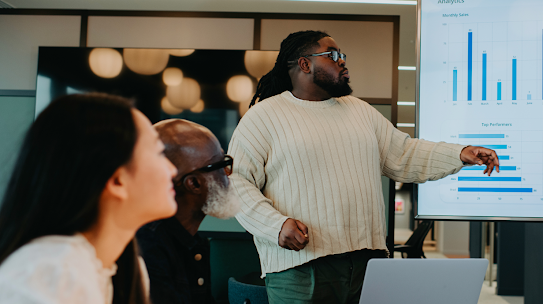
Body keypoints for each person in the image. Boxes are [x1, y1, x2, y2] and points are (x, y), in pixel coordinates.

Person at [227, 30, 500, 303]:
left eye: (342, 56)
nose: (342, 61)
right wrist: (275, 225)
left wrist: (460, 153)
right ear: (304, 64)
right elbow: (236, 183)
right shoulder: (263, 117)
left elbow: (404, 153)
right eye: (333, 55)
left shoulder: (360, 111)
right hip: (300, 268)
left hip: (368, 263)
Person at [0, 93, 178, 304]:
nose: (173, 170)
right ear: (117, 180)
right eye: (160, 153)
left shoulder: (126, 270)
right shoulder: (53, 272)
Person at [136, 119, 240, 304]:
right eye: (220, 165)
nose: (228, 173)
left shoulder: (193, 242)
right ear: (194, 184)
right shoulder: (148, 247)